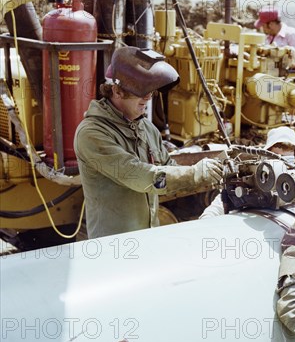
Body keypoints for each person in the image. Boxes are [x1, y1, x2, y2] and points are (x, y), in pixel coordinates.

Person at [74, 46, 223, 239]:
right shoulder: (92, 134)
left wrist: (211, 173)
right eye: (142, 91)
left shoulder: (146, 128)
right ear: (117, 91)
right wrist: (196, 173)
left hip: (147, 238)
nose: (148, 97)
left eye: (151, 91)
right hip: (112, 247)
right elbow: (141, 177)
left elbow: (168, 169)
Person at [199, 126, 295, 219]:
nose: (282, 165)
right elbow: (215, 209)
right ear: (265, 158)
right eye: (276, 159)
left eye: (287, 160)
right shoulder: (250, 181)